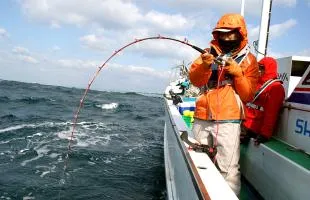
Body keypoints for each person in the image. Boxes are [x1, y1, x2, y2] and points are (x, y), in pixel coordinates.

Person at [188, 13, 259, 195]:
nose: (226, 38)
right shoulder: (207, 53)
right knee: (198, 162)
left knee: (229, 169)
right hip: (202, 117)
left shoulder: (249, 60)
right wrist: (204, 66)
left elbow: (248, 94)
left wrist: (238, 73)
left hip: (230, 120)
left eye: (231, 34)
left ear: (240, 33)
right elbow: (195, 80)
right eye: (222, 34)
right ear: (216, 35)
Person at [242, 57, 285, 145]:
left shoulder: (276, 87)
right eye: (258, 67)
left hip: (254, 129)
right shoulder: (256, 83)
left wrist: (264, 134)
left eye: (261, 68)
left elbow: (271, 114)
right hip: (244, 124)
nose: (259, 70)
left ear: (269, 69)